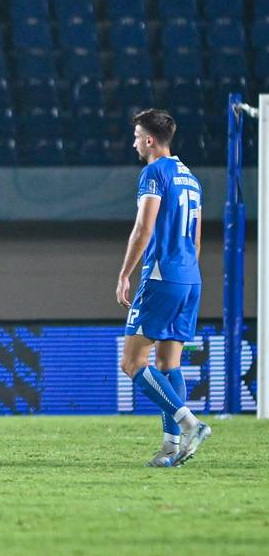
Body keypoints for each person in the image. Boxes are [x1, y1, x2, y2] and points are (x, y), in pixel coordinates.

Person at [116, 109, 211, 467]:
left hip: (161, 276)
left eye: (138, 135)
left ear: (150, 140)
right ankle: (171, 448)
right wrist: (185, 271)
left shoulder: (153, 173)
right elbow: (197, 238)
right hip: (190, 278)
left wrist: (126, 273)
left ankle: (190, 424)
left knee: (131, 362)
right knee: (168, 362)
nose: (135, 142)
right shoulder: (190, 177)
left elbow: (144, 228)